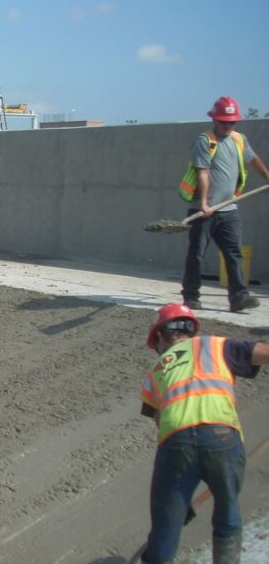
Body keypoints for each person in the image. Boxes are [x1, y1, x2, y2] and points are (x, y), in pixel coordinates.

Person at [138, 303, 269, 564]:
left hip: (176, 443)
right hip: (222, 437)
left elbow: (161, 422)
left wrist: (175, 503)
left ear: (161, 336)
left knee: (166, 526)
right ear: (190, 330)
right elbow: (265, 353)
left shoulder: (155, 372)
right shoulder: (217, 345)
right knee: (227, 514)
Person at [179, 96, 269, 312]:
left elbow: (252, 158)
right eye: (223, 122)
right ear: (214, 120)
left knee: (234, 253)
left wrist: (267, 175)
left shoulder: (239, 139)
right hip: (204, 211)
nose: (227, 126)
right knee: (196, 255)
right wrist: (203, 204)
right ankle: (191, 296)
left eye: (231, 122)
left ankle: (239, 298)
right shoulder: (205, 141)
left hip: (229, 209)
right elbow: (203, 171)